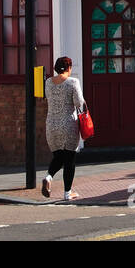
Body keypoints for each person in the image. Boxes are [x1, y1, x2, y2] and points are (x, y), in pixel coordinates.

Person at [42, 56, 86, 201]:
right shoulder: (73, 82)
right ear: (69, 68)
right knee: (69, 159)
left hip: (51, 125)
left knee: (58, 156)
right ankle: (68, 193)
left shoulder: (48, 82)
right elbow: (79, 103)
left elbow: (48, 98)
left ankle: (48, 177)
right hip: (68, 124)